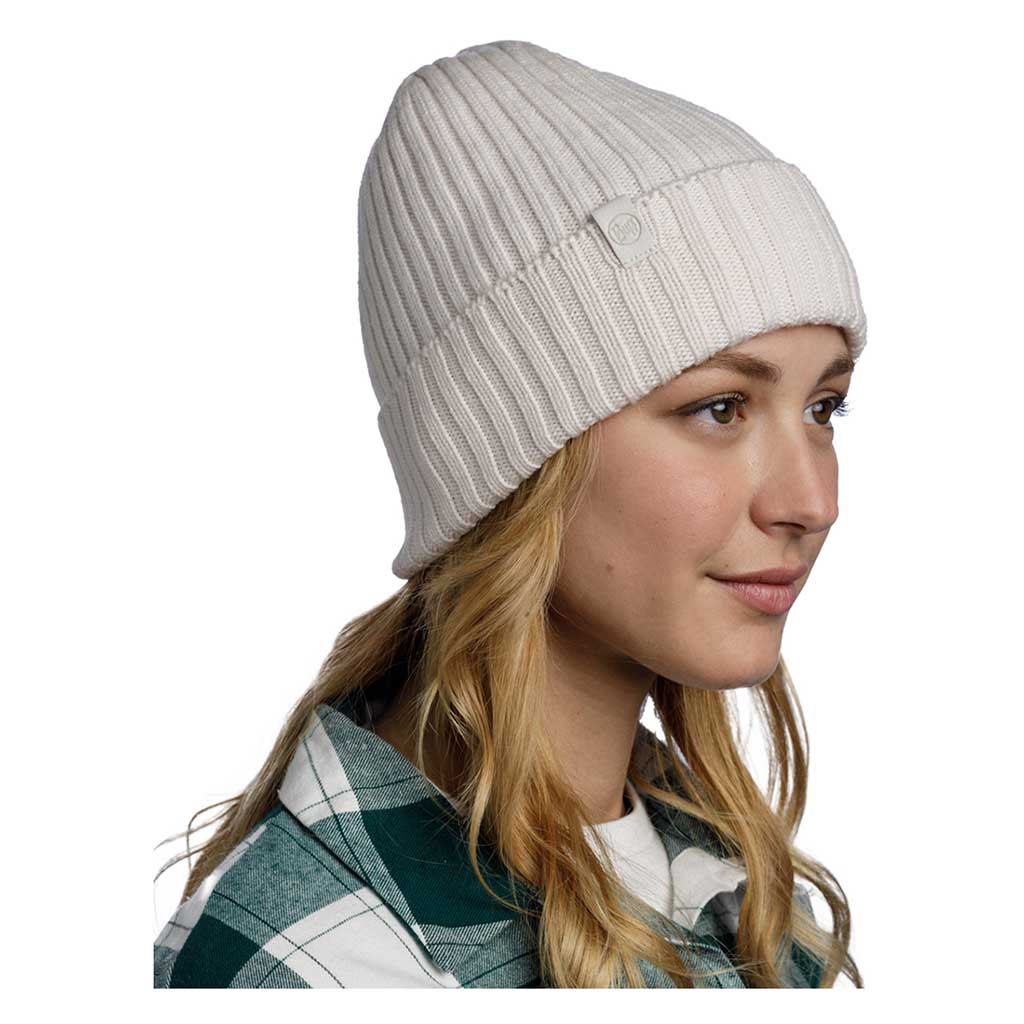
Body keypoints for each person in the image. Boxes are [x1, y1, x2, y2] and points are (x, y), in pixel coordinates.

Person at [154, 38, 867, 989]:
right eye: (720, 408)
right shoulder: (321, 966)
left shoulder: (739, 896)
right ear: (514, 460)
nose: (813, 502)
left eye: (824, 409)